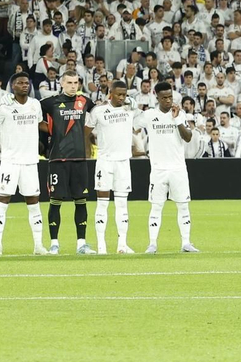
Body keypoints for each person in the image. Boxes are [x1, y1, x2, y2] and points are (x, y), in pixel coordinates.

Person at [0, 72, 47, 257]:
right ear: (13, 86)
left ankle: (38, 245)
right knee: (2, 200)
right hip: (10, 162)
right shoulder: (4, 106)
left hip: (30, 162)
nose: (24, 85)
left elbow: (41, 124)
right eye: (20, 83)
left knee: (34, 202)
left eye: (26, 83)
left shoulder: (35, 105)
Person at [133, 81, 197, 254]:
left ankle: (186, 243)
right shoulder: (149, 115)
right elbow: (133, 127)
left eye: (170, 97)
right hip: (158, 169)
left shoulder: (179, 114)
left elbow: (188, 137)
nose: (168, 101)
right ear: (157, 97)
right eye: (164, 98)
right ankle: (152, 244)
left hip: (178, 168)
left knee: (183, 205)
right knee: (156, 206)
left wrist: (177, 120)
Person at [40, 72, 95, 254]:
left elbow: (102, 111)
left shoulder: (85, 101)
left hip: (79, 159)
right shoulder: (50, 102)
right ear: (62, 83)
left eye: (76, 82)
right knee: (55, 201)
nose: (73, 85)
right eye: (69, 82)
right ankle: (54, 243)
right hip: (58, 158)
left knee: (81, 201)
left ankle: (81, 244)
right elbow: (31, 111)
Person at [86, 79, 137, 255]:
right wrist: (93, 144)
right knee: (102, 204)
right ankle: (101, 246)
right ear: (111, 93)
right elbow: (86, 133)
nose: (122, 98)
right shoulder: (98, 111)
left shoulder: (130, 110)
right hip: (104, 162)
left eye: (125, 94)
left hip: (123, 162)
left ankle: (122, 244)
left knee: (122, 204)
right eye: (119, 94)